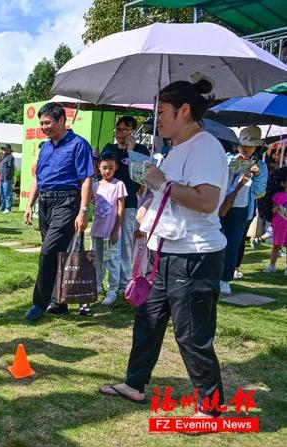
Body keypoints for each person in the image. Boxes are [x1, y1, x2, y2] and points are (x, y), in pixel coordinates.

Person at [99, 79, 228, 419]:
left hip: (194, 254)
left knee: (191, 333)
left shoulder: (206, 147)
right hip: (163, 251)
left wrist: (163, 184)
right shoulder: (177, 148)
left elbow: (206, 200)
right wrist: (147, 203)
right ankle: (134, 384)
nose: (157, 119)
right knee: (148, 320)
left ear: (185, 111)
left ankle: (211, 408)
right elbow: (166, 196)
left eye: (162, 112)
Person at [24, 102, 94, 320]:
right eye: (41, 123)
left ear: (62, 120)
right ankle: (59, 301)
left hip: (67, 202)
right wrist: (29, 204)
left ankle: (39, 303)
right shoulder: (45, 147)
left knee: (47, 251)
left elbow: (86, 179)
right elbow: (38, 177)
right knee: (55, 254)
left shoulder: (79, 145)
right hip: (45, 203)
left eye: (48, 123)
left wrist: (83, 211)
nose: (44, 127)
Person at [100, 116, 150, 293]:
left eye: (125, 130)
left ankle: (125, 281)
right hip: (108, 203)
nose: (120, 134)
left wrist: (130, 150)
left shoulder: (140, 150)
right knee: (109, 243)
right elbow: (107, 167)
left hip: (128, 203)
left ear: (132, 132)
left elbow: (140, 174)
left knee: (126, 243)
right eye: (118, 129)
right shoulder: (110, 148)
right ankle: (106, 279)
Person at [218, 126, 268, 293]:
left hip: (241, 209)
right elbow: (218, 178)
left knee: (232, 244)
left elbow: (260, 193)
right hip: (217, 205)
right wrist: (235, 164)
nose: (245, 148)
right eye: (243, 144)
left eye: (250, 145)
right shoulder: (227, 158)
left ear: (256, 147)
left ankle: (225, 279)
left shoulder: (260, 165)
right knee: (213, 241)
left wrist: (257, 175)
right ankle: (209, 275)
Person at [90, 151, 128, 306]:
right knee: (97, 261)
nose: (107, 171)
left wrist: (115, 230)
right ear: (99, 167)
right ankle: (98, 285)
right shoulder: (95, 185)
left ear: (116, 167)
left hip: (111, 232)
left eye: (110, 168)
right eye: (104, 167)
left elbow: (120, 209)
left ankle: (113, 289)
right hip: (97, 230)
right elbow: (93, 202)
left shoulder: (118, 185)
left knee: (112, 261)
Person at [264, 170, 287, 274]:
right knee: (276, 245)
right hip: (279, 225)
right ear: (283, 184)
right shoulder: (277, 195)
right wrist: (277, 208)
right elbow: (273, 209)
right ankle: (272, 265)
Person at [0, 144, 15, 213]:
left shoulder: (10, 157)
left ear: (8, 150)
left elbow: (11, 168)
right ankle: (2, 207)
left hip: (6, 178)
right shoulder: (4, 157)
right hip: (1, 177)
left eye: (4, 149)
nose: (3, 151)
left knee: (7, 193)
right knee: (1, 193)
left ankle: (8, 208)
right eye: (3, 149)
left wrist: (8, 177)